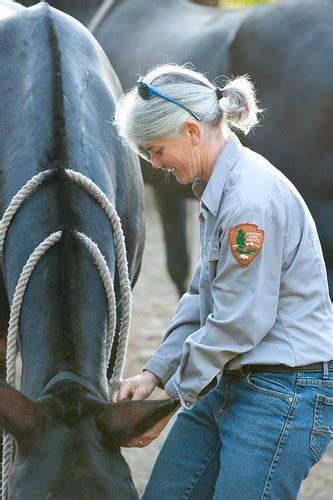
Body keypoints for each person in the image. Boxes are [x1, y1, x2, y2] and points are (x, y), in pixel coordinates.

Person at [113, 64, 333, 499]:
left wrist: (169, 400)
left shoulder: (248, 202)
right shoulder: (219, 186)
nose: (154, 164)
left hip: (282, 393)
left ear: (192, 132)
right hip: (231, 377)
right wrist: (155, 372)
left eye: (157, 149)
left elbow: (240, 321)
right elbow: (202, 295)